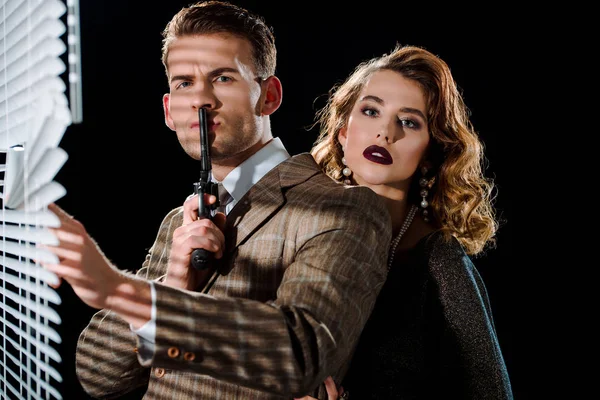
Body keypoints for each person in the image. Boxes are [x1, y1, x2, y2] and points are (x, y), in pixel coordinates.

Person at [41, 1, 392, 399]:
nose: (201, 99)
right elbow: (96, 373)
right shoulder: (179, 222)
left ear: (269, 96)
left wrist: (121, 291)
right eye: (183, 83)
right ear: (169, 111)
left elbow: (300, 353)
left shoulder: (342, 208)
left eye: (223, 78)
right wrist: (171, 284)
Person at [298, 44, 513, 399]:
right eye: (371, 111)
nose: (385, 133)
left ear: (430, 153)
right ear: (343, 131)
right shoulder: (297, 229)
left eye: (409, 122)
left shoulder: (440, 264)